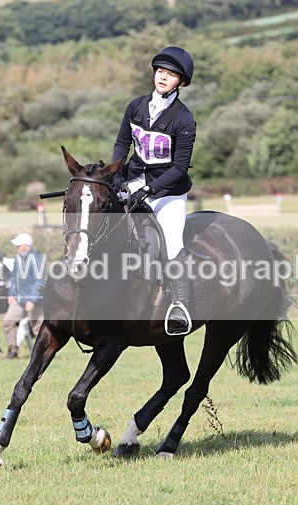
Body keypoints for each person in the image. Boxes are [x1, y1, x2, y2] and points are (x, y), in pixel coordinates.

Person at [112, 46, 197, 335]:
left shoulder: (183, 119)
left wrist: (149, 189)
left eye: (170, 74)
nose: (162, 77)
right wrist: (115, 173)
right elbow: (123, 144)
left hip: (168, 191)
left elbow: (180, 167)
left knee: (171, 243)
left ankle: (181, 306)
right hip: (135, 179)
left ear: (181, 83)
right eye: (160, 71)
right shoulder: (135, 106)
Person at [3, 233, 44, 359]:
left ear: (26, 246)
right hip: (19, 299)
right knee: (8, 322)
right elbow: (14, 278)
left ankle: (43, 354)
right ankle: (12, 350)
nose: (16, 248)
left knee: (38, 329)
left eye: (18, 245)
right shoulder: (18, 259)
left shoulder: (37, 260)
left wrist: (32, 300)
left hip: (34, 301)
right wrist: (12, 294)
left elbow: (39, 281)